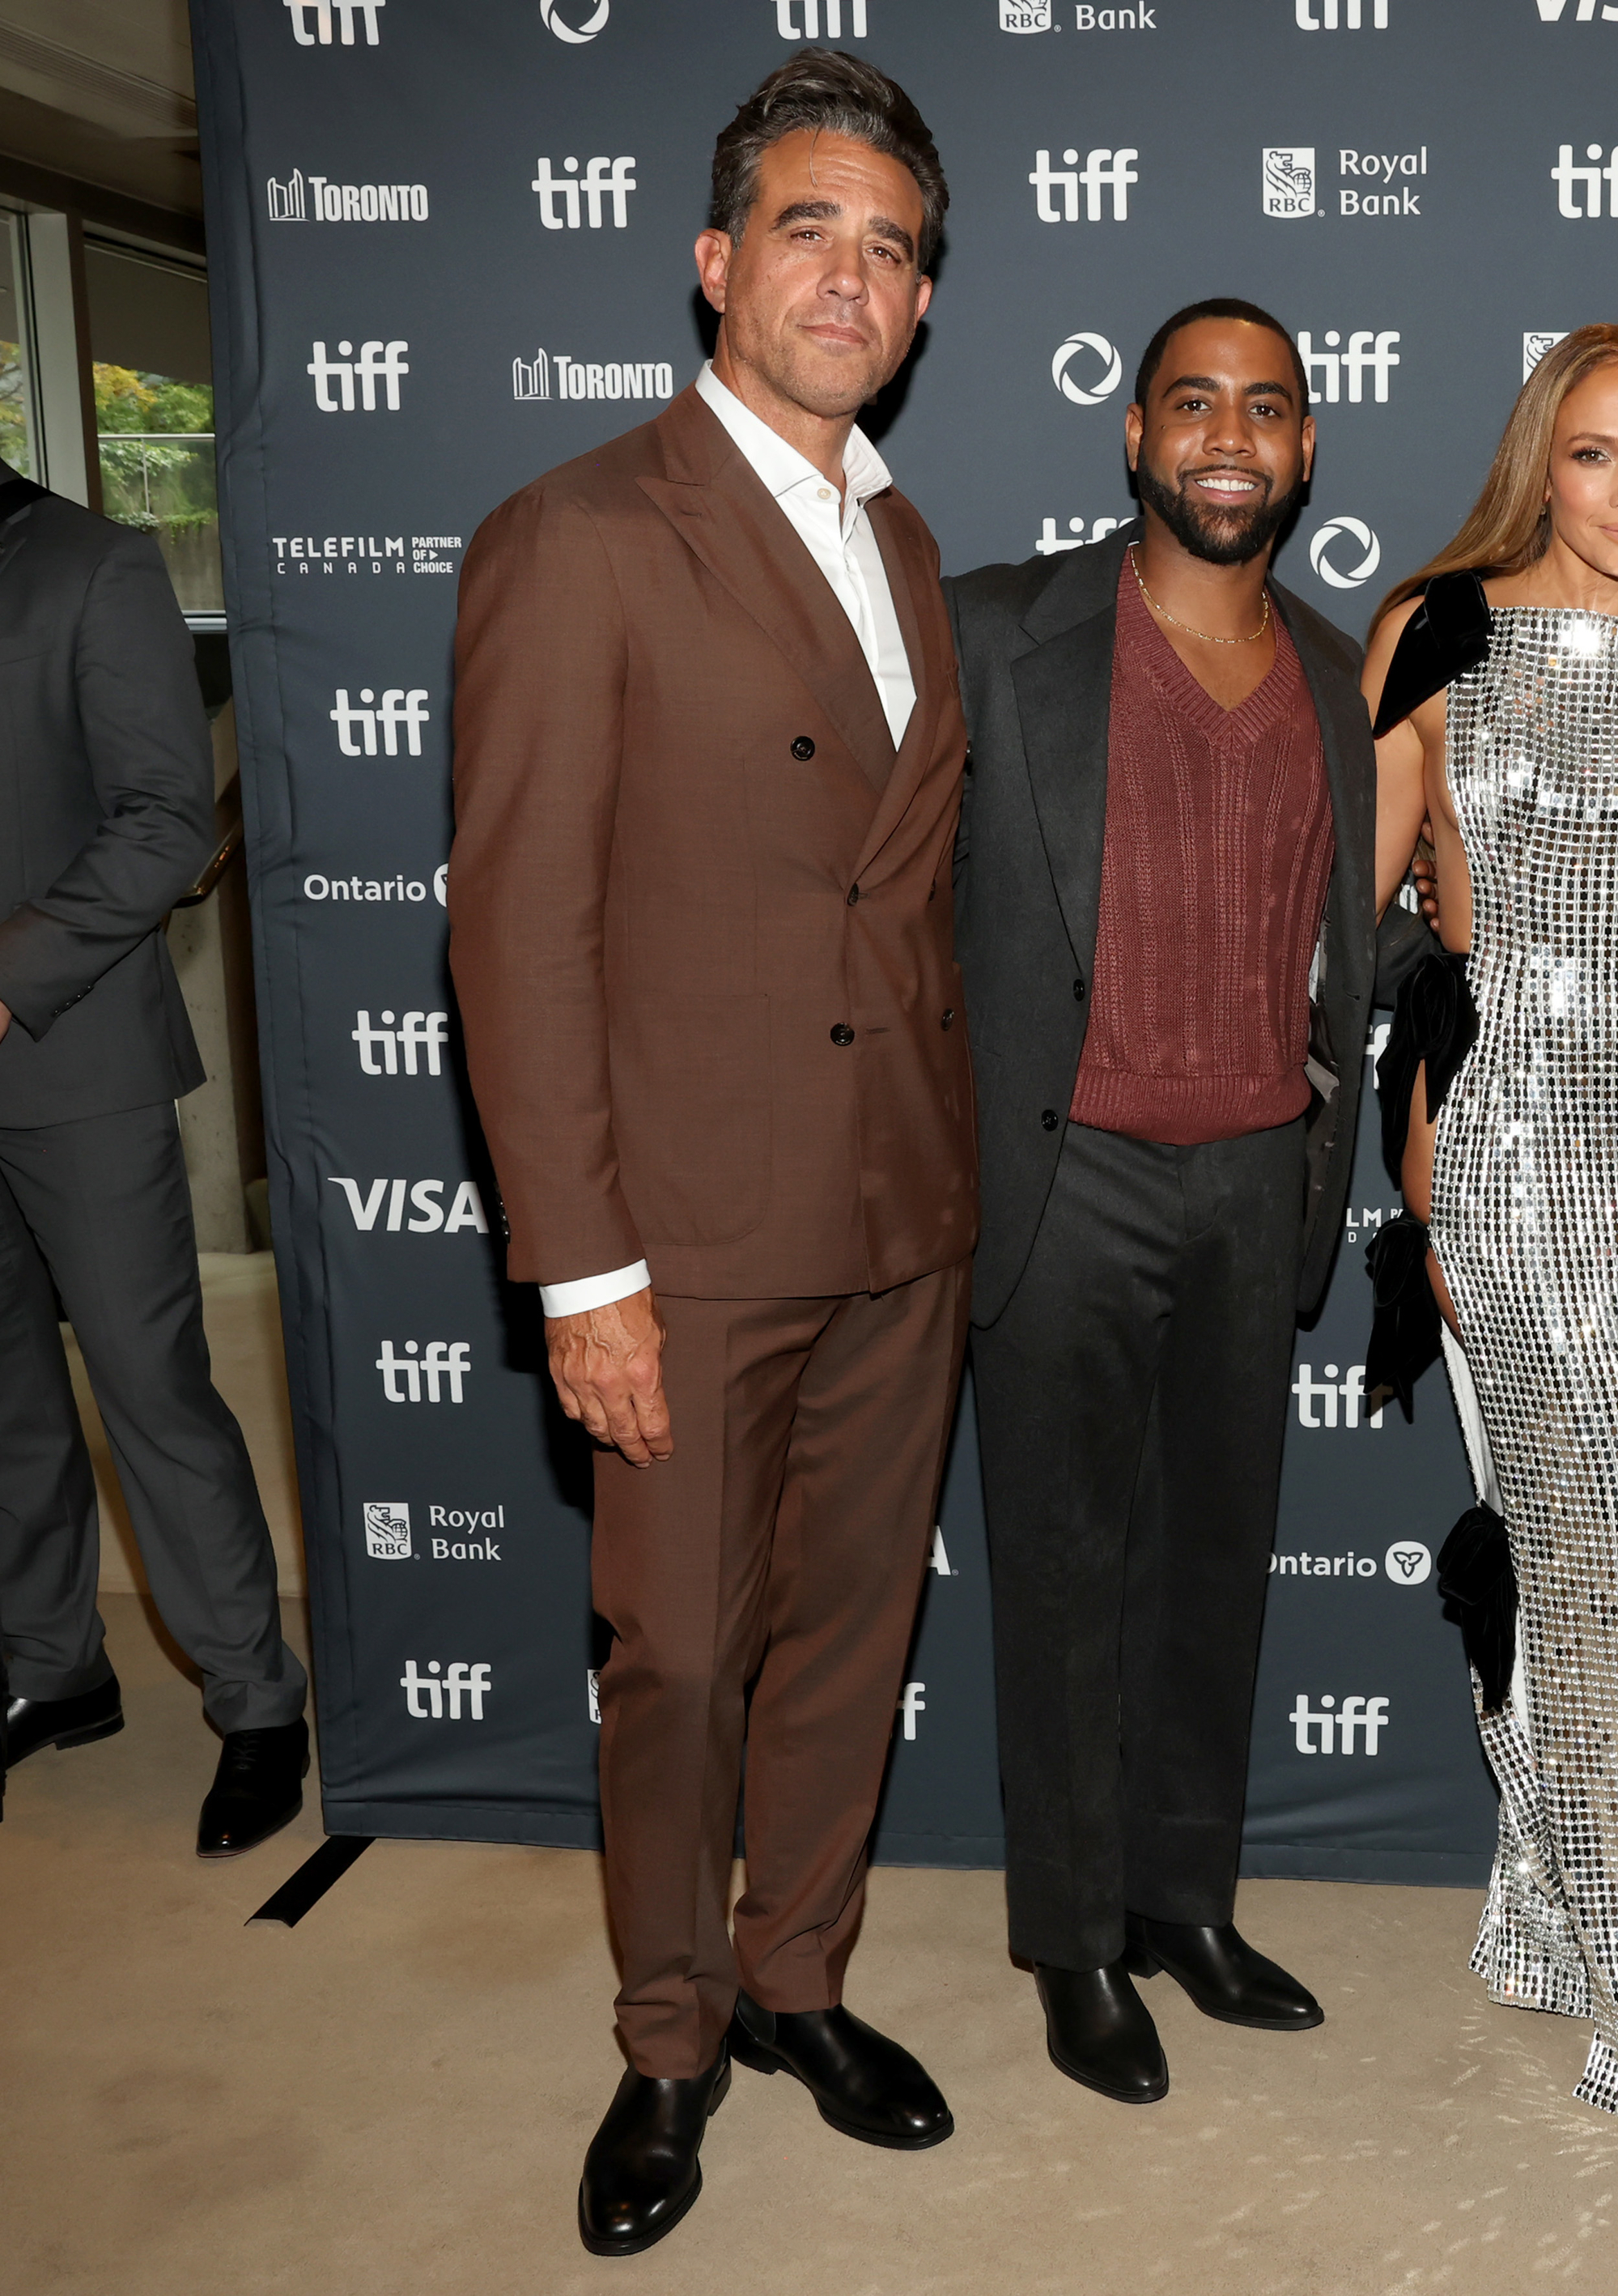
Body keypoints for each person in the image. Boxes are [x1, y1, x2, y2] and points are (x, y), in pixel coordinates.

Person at [448, 51, 971, 2258]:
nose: (851, 276)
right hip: (688, 1229)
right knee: (675, 1658)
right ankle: (668, 2037)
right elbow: (516, 921)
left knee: (849, 1638)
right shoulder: (577, 534)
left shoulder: (908, 537)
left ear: (924, 306)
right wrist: (582, 1272)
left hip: (901, 1207)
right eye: (810, 231)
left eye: (893, 249)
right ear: (714, 263)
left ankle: (798, 1980)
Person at [945, 300, 1384, 2106]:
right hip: (1063, 1176)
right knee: (1060, 1576)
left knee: (1210, 1565)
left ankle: (1184, 1897)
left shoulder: (1340, 670)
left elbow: (1353, 942)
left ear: (1304, 449)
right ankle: (1071, 1940)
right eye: (1191, 402)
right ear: (1132, 434)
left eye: (1264, 407)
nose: (1227, 433)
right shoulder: (999, 629)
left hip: (1252, 1169)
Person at [1362, 325, 1618, 2129]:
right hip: (1510, 1138)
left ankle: (1551, 1913)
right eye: (1593, 453)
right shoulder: (1436, 632)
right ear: (1541, 453)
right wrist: (1420, 1165)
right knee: (1594, 1579)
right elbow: (1374, 925)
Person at [0, 470, 311, 1860]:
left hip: (77, 1065)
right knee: (5, 1400)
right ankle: (52, 1667)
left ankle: (257, 1703)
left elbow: (166, 821)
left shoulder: (93, 566)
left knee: (150, 1390)